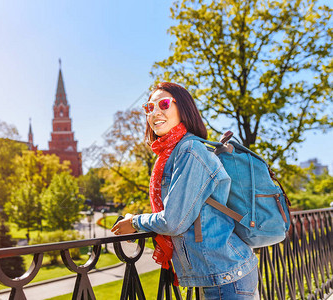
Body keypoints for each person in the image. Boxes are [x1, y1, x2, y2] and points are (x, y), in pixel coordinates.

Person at [111, 82, 259, 299]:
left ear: (183, 108)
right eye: (149, 107)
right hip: (221, 274)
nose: (155, 112)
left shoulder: (190, 150)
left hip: (226, 277)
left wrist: (134, 222)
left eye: (163, 104)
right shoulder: (174, 152)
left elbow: (173, 221)